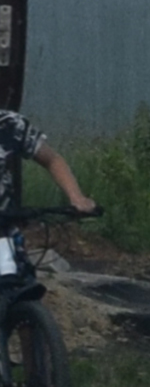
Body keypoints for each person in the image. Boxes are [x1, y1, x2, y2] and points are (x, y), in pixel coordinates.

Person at [0, 111, 95, 281]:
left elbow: (52, 160)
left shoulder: (9, 124)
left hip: (5, 232)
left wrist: (77, 198)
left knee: (20, 282)